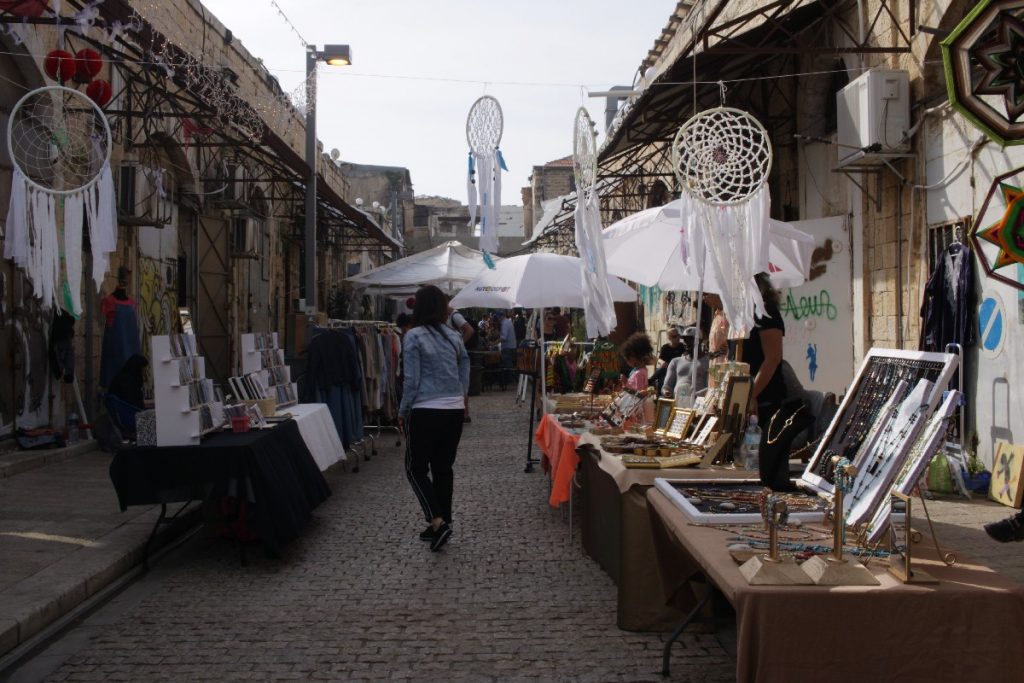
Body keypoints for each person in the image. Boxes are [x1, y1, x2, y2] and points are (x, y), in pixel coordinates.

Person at [400, 285, 470, 552]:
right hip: (452, 411)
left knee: (415, 468)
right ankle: (442, 524)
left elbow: (412, 380)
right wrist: (461, 394)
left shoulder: (413, 337)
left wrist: (403, 411)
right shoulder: (453, 336)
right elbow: (465, 363)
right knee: (443, 468)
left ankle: (438, 521)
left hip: (425, 409)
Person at [745, 273, 789, 489]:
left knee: (769, 468)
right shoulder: (745, 313)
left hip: (766, 399)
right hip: (752, 398)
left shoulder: (766, 313)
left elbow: (772, 358)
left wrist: (751, 395)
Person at [661, 327, 709, 404]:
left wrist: (692, 395)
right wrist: (666, 392)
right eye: (685, 340)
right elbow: (667, 386)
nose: (686, 342)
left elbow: (710, 388)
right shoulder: (675, 362)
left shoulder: (708, 363)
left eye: (690, 339)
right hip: (677, 406)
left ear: (699, 340)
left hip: (697, 406)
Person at [497, 310, 517, 389]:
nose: (498, 319)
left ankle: (511, 381)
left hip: (507, 347)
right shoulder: (507, 322)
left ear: (501, 316)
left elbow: (503, 337)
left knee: (508, 365)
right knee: (509, 364)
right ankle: (512, 380)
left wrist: (494, 343)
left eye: (498, 317)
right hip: (510, 346)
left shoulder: (505, 323)